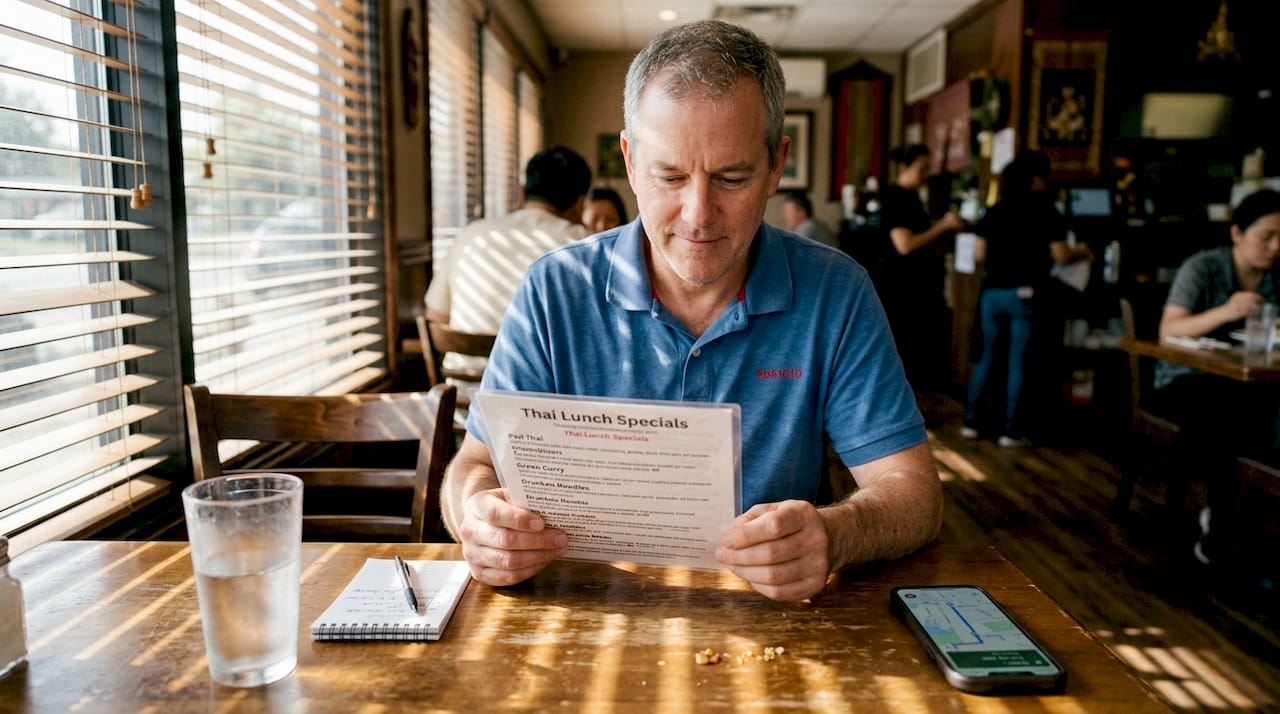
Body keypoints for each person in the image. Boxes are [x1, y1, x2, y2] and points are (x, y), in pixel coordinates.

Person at [440, 19, 942, 603]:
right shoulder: (555, 289)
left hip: (771, 619)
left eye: (732, 177)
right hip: (582, 607)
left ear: (776, 165)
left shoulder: (836, 291)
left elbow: (913, 491)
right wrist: (477, 516)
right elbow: (474, 464)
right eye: (669, 176)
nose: (698, 215)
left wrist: (837, 533)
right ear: (630, 162)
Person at [1155, 188, 1280, 564]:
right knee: (1230, 414)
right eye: (1266, 236)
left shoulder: (1276, 277)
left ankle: (1251, 520)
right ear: (1236, 233)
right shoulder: (1204, 267)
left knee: (1262, 412)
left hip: (1249, 383)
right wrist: (1226, 311)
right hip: (1184, 380)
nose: (1275, 247)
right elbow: (1168, 331)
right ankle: (1224, 524)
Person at [424, 145, 592, 374]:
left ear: (521, 193)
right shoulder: (583, 244)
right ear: (580, 203)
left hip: (463, 402)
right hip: (542, 406)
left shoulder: (470, 235)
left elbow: (435, 316)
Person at [960, 150, 1078, 446]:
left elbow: (979, 254)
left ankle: (972, 423)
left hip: (991, 293)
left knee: (986, 359)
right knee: (1018, 363)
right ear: (1036, 179)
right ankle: (1011, 432)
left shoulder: (995, 209)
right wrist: (1084, 252)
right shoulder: (1046, 209)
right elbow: (1061, 254)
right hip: (1024, 294)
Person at [875, 144, 965, 391]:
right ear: (905, 167)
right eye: (922, 168)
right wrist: (943, 226)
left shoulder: (913, 197)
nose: (926, 174)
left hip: (914, 287)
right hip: (902, 288)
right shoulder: (897, 197)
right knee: (906, 353)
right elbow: (904, 244)